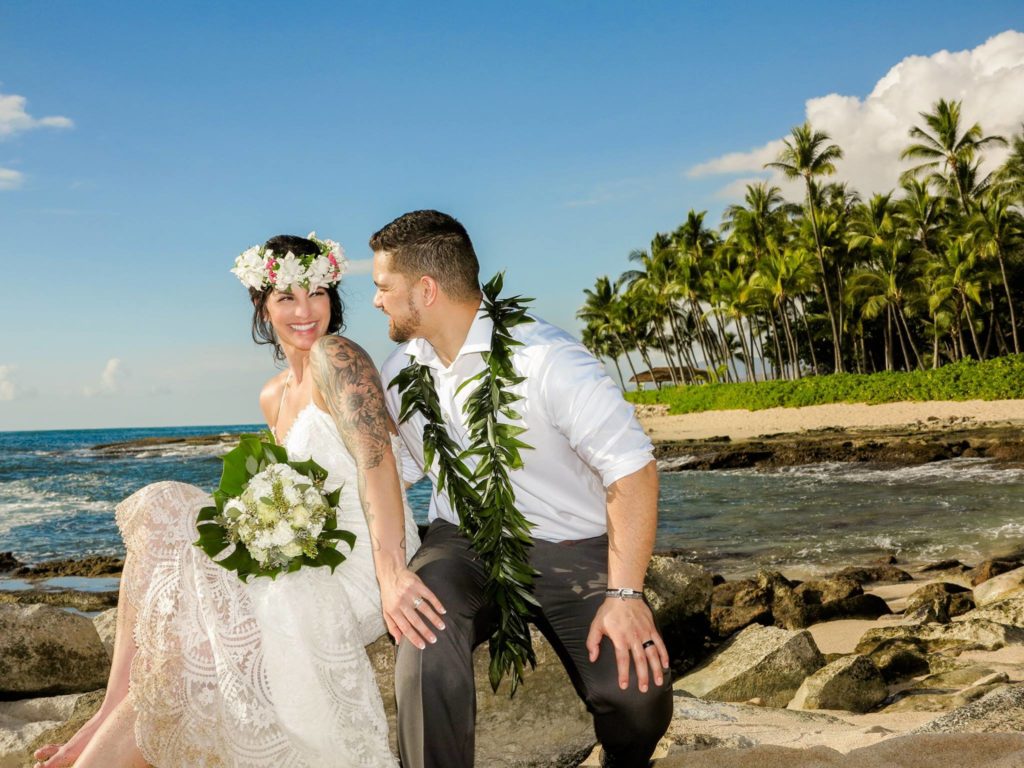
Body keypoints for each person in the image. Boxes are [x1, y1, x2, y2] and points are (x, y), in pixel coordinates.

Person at [33, 233, 443, 768]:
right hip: (297, 556)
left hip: (358, 561)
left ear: (333, 298)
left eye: (317, 293)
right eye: (286, 298)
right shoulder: (272, 395)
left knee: (192, 642)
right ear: (262, 306)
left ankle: (91, 750)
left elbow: (377, 465)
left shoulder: (336, 356)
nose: (305, 311)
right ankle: (103, 717)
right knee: (164, 511)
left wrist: (392, 573)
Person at [372, 210, 674, 768]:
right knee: (422, 633)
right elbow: (396, 469)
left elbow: (632, 471)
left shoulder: (549, 360)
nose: (376, 301)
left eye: (382, 287)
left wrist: (626, 595)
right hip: (463, 544)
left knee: (639, 695)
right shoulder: (398, 372)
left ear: (426, 289)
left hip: (572, 548)